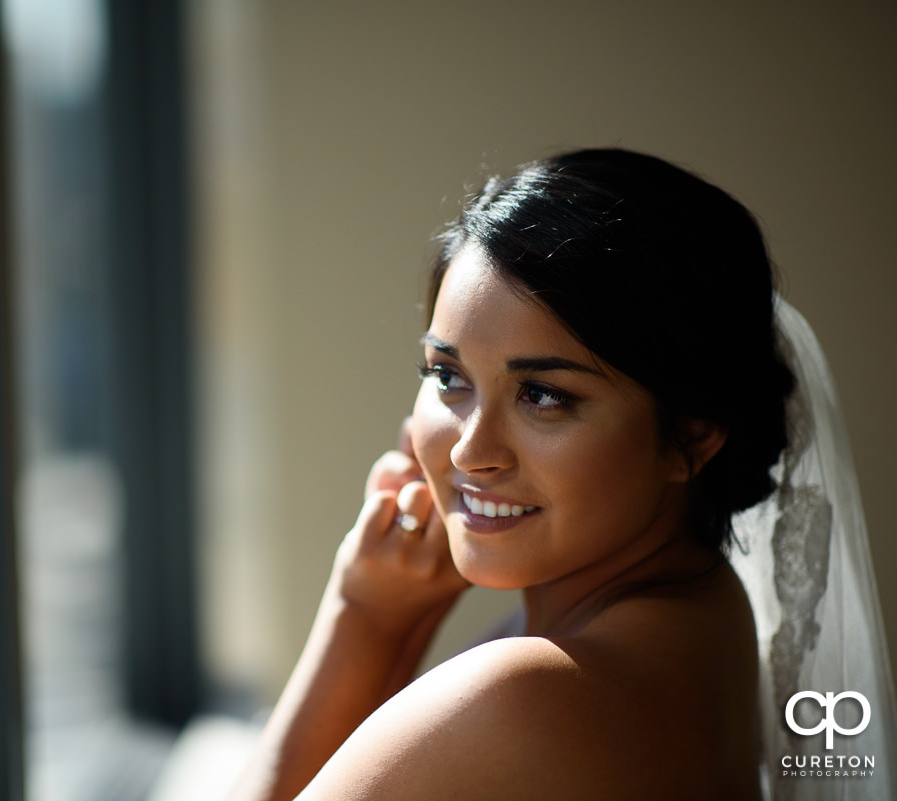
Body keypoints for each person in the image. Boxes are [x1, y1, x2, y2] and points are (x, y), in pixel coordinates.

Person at [226, 149, 893, 800]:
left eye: (543, 394)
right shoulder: (707, 610)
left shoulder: (521, 695)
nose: (468, 452)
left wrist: (361, 619)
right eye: (448, 376)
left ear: (690, 434)